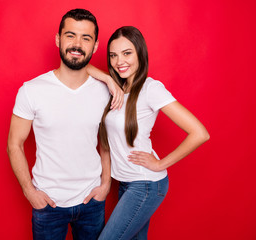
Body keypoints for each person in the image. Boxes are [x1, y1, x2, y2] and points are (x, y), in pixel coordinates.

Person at [7, 9, 124, 240]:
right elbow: (14, 144)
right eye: (70, 35)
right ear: (58, 39)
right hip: (48, 204)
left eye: (86, 38)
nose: (77, 44)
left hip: (92, 201)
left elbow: (106, 143)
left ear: (96, 45)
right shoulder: (31, 91)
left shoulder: (105, 92)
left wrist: (105, 185)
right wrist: (30, 192)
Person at [87, 26, 210, 240]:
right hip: (125, 183)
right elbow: (83, 67)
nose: (119, 62)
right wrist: (108, 80)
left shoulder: (150, 89)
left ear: (140, 53)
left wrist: (160, 164)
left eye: (127, 53)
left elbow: (200, 133)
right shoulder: (116, 88)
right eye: (113, 55)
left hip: (145, 185)